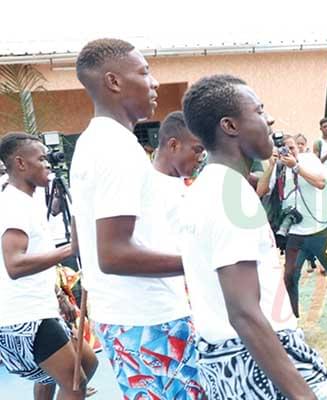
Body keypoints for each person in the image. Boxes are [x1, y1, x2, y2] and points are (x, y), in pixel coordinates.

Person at [180, 74, 327, 399]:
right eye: (258, 110)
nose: (269, 119)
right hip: (260, 355)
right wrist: (302, 394)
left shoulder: (207, 188)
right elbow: (244, 311)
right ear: (230, 126)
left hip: (227, 361)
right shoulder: (230, 196)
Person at [69, 38, 202, 397]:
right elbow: (113, 254)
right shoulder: (115, 148)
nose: (154, 82)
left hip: (131, 317)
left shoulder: (95, 142)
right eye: (145, 72)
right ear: (113, 82)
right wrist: (199, 262)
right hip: (149, 319)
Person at [0, 133, 98, 400]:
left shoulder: (27, 202)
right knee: (75, 380)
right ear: (20, 163)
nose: (49, 163)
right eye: (41, 158)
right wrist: (71, 249)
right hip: (23, 316)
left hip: (40, 309)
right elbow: (14, 264)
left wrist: (58, 296)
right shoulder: (14, 204)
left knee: (86, 362)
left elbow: (34, 255)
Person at [271, 134, 327, 327]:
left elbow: (320, 183)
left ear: (299, 148)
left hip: (321, 230)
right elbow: (264, 190)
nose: (288, 151)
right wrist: (272, 165)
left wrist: (295, 166)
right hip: (295, 234)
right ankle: (292, 320)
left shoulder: (310, 160)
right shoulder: (278, 167)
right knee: (289, 276)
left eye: (292, 148)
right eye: (284, 149)